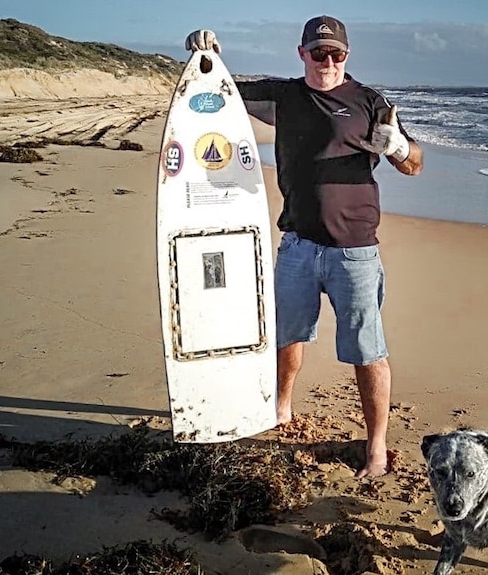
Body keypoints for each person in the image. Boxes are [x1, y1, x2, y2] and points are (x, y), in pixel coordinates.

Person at [185, 15, 423, 478]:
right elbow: (220, 87)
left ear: (347, 55)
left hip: (355, 251)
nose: (327, 62)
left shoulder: (371, 103)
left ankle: (376, 445)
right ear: (302, 54)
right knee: (287, 335)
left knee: (367, 349)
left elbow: (415, 165)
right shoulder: (283, 97)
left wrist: (395, 148)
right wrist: (203, 54)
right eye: (318, 53)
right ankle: (281, 407)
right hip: (296, 245)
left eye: (335, 54)